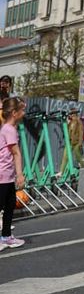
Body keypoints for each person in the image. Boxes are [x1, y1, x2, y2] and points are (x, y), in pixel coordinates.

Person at [0, 96, 27, 249]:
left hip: (6, 175)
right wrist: (20, 174)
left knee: (10, 205)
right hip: (3, 174)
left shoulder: (7, 128)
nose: (24, 113)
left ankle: (6, 236)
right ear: (14, 113)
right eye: (22, 110)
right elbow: (16, 153)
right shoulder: (9, 130)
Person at [60, 107, 84, 175]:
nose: (70, 115)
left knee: (78, 157)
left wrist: (80, 143)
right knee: (65, 157)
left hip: (76, 143)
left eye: (71, 114)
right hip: (70, 142)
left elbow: (81, 133)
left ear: (75, 114)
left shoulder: (79, 122)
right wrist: (67, 123)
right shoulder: (70, 122)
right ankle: (61, 172)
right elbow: (67, 131)